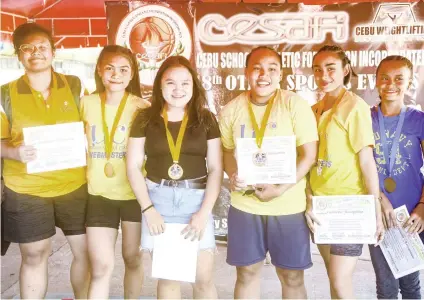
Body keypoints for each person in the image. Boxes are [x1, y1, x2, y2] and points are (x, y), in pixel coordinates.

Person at [219, 46, 318, 299]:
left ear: (281, 73)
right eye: (257, 68)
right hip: (245, 207)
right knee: (246, 273)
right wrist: (232, 174)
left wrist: (280, 188)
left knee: (292, 276)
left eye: (272, 69)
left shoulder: (295, 105)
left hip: (288, 207)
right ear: (246, 72)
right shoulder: (231, 109)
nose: (264, 75)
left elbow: (309, 155)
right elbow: (227, 152)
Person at [0, 23, 89, 299]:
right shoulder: (5, 94)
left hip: (75, 185)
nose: (35, 53)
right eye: (27, 48)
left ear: (53, 51)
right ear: (18, 55)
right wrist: (14, 152)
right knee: (35, 254)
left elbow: (92, 125)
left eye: (41, 47)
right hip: (26, 189)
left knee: (85, 251)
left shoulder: (74, 85)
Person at [126, 55, 222, 299]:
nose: (178, 89)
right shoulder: (144, 118)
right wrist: (148, 209)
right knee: (169, 279)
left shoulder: (206, 119)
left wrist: (203, 213)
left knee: (203, 278)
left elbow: (216, 168)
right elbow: (133, 166)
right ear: (160, 85)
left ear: (194, 86)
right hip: (158, 201)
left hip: (196, 201)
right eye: (170, 83)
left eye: (185, 83)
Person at [305, 45, 384, 298]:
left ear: (345, 70)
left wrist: (376, 207)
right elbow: (306, 160)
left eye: (331, 69)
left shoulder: (355, 106)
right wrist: (307, 198)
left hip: (349, 204)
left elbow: (366, 159)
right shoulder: (313, 111)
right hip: (320, 206)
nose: (324, 76)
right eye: (318, 70)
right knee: (333, 279)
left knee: (340, 281)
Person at [81, 45, 150, 299]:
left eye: (123, 69)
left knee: (132, 258)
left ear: (132, 74)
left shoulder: (143, 108)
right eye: (109, 68)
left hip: (134, 195)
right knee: (101, 267)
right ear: (99, 70)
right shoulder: (85, 104)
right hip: (98, 195)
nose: (115, 74)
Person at [369, 55, 424, 299]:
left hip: (411, 215)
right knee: (386, 285)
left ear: (410, 83)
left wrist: (423, 206)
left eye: (399, 78)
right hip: (376, 214)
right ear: (375, 81)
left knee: (411, 283)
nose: (391, 84)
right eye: (385, 78)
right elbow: (356, 166)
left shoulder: (419, 120)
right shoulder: (364, 118)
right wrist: (379, 199)